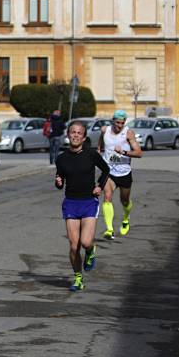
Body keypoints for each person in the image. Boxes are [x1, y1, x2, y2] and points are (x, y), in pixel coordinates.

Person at [55, 121, 110, 291]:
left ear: (84, 137)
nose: (76, 135)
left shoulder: (91, 154)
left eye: (79, 133)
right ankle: (78, 278)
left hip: (88, 202)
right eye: (73, 132)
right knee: (73, 245)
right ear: (68, 135)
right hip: (71, 202)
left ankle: (91, 250)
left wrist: (99, 186)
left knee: (86, 242)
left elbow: (106, 170)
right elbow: (60, 179)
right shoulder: (62, 158)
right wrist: (58, 182)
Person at [98, 110, 143, 239]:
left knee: (124, 201)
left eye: (122, 123)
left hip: (124, 173)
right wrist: (99, 149)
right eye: (117, 122)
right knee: (107, 196)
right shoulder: (104, 130)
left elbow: (139, 153)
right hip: (109, 171)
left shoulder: (128, 133)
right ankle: (109, 230)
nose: (120, 125)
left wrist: (123, 152)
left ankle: (126, 218)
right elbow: (101, 141)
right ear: (113, 120)